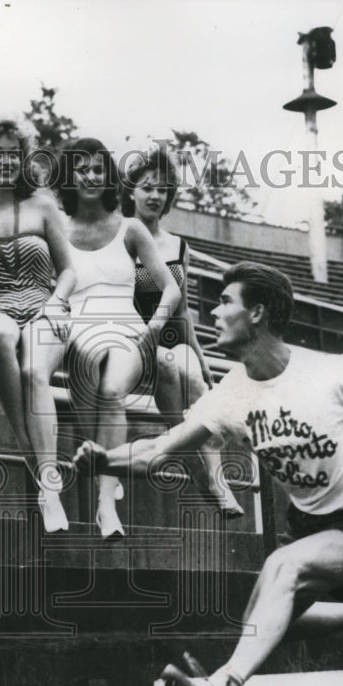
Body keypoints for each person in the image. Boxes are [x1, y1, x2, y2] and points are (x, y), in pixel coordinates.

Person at [75, 261, 343, 686]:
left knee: (281, 569)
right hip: (306, 524)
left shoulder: (332, 372)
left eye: (225, 302)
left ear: (258, 313)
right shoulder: (232, 394)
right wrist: (105, 461)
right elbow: (160, 450)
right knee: (271, 622)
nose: (213, 313)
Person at [59, 138, 181, 538]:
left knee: (112, 390)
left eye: (98, 168)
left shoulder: (129, 228)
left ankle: (105, 504)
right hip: (75, 326)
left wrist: (153, 327)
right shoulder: (56, 228)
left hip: (126, 328)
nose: (90, 176)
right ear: (69, 176)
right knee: (86, 375)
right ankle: (102, 475)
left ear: (109, 177)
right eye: (81, 168)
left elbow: (171, 288)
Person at [121, 149, 240, 516]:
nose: (155, 196)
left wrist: (203, 358)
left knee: (199, 384)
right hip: (136, 334)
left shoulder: (178, 246)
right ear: (131, 193)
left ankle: (218, 483)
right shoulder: (121, 237)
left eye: (162, 190)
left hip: (172, 334)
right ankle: (190, 460)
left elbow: (184, 308)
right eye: (147, 188)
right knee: (172, 368)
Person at [0, 119, 76, 532]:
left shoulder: (42, 205)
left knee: (34, 370)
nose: (6, 161)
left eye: (13, 153)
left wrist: (56, 302)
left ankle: (48, 486)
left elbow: (68, 271)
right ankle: (36, 459)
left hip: (43, 305)